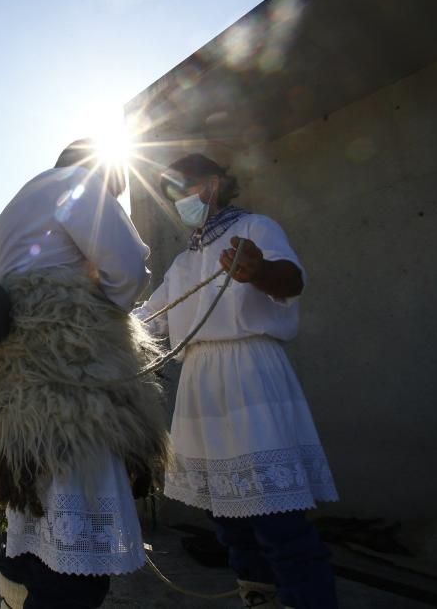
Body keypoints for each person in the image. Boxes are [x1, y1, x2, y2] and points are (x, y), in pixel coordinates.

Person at [0, 139, 170, 609]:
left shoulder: (15, 207)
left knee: (37, 498)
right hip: (72, 368)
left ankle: (19, 584)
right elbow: (130, 271)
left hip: (17, 370)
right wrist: (102, 313)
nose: (114, 200)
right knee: (80, 533)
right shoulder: (82, 183)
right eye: (115, 194)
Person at [134, 153, 338, 609]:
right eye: (172, 192)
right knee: (227, 520)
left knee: (277, 518)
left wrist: (259, 271)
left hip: (249, 376)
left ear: (213, 184)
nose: (179, 200)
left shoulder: (257, 227)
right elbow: (149, 319)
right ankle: (258, 596)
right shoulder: (184, 261)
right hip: (199, 384)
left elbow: (291, 279)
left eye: (185, 188)